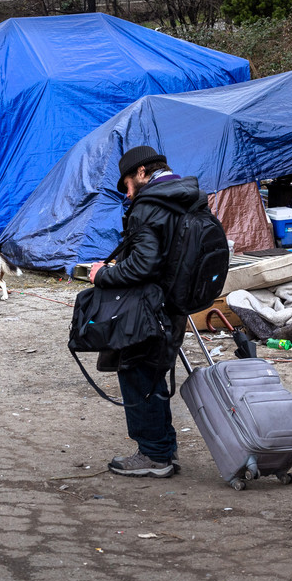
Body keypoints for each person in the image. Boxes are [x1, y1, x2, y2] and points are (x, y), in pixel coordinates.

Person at [88, 145, 204, 478]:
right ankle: (163, 447)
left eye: (126, 183)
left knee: (138, 373)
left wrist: (101, 274)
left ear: (141, 173)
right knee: (152, 372)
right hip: (177, 304)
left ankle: (154, 455)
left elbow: (142, 265)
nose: (126, 193)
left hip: (148, 307)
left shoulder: (149, 206)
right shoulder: (189, 197)